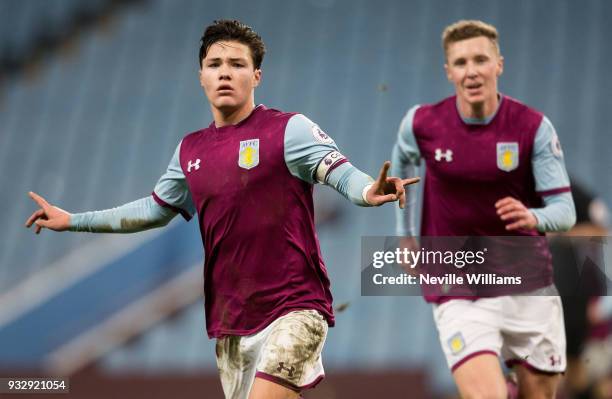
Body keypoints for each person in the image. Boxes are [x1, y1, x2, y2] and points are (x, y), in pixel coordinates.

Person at [24, 20, 418, 399]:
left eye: (237, 64)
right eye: (214, 65)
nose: (224, 73)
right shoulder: (190, 151)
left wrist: (369, 189)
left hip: (295, 308)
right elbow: (152, 211)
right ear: (201, 76)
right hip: (231, 322)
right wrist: (74, 220)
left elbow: (341, 175)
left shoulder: (289, 130)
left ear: (257, 76)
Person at [391, 20, 576, 399]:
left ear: (499, 65)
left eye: (480, 59)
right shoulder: (422, 123)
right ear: (448, 71)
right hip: (457, 284)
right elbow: (402, 167)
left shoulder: (533, 127)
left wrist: (533, 216)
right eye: (460, 62)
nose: (471, 70)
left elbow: (565, 211)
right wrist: (406, 235)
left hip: (528, 284)